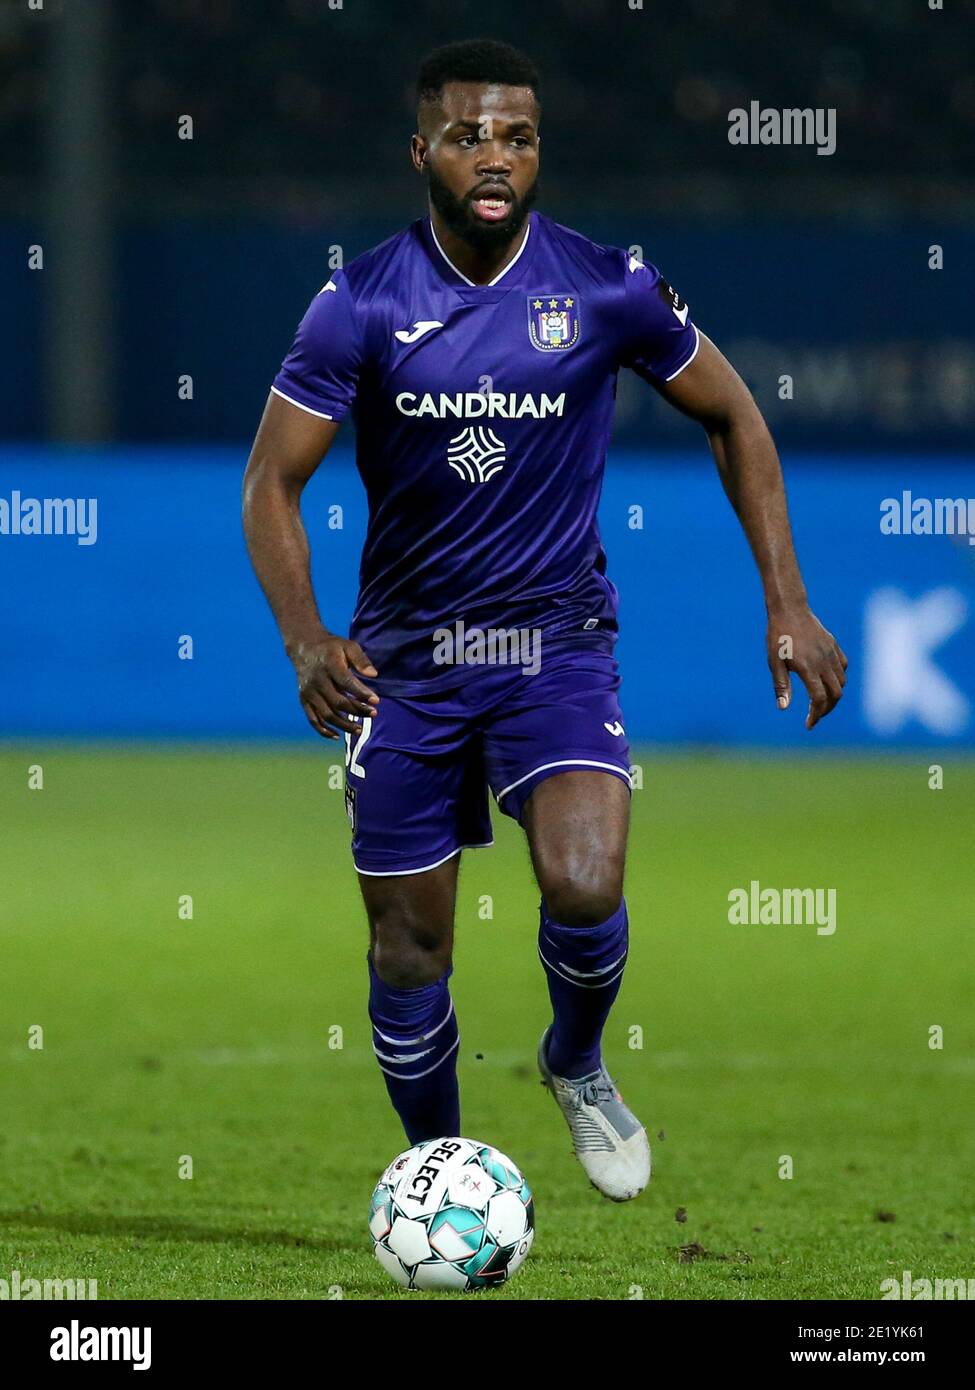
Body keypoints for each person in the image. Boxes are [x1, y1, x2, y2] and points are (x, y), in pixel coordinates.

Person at [242, 38, 847, 1202]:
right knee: (410, 948)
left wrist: (787, 599)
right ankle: (440, 1174)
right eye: (469, 133)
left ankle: (574, 1057)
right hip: (407, 665)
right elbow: (273, 481)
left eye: (517, 136)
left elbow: (733, 415)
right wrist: (307, 638)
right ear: (420, 149)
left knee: (583, 881)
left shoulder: (608, 284)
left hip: (553, 646)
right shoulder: (358, 303)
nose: (495, 156)